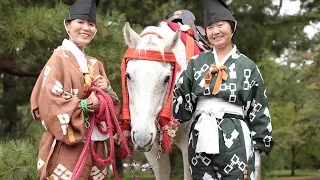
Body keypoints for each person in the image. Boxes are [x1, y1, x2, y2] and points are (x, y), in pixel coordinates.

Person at [172, 0, 274, 179]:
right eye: (210, 27)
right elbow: (181, 109)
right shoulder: (195, 64)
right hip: (200, 136)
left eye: (220, 25)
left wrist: (259, 147)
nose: (215, 31)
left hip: (236, 137)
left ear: (232, 27)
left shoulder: (247, 66)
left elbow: (259, 108)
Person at [30, 0, 120, 179]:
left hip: (96, 147)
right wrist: (85, 106)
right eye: (80, 22)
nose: (86, 28)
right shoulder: (58, 59)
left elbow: (112, 106)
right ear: (67, 25)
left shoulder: (96, 64)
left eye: (91, 24)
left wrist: (107, 91)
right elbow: (49, 102)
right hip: (66, 145)